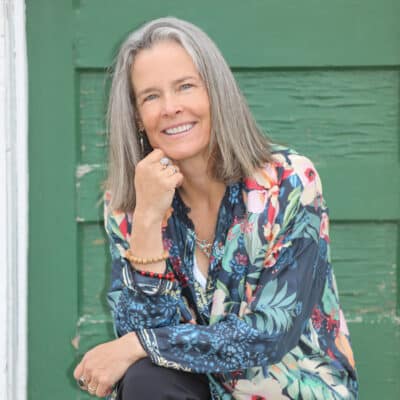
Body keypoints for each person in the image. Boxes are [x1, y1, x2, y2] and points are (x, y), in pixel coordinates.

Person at [73, 17, 358, 400]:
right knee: (145, 379)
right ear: (137, 116)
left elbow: (269, 333)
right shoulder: (128, 205)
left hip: (291, 390)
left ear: (215, 94)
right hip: (199, 390)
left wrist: (141, 345)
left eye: (185, 86)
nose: (171, 108)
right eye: (151, 96)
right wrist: (146, 220)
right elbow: (137, 335)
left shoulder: (288, 183)